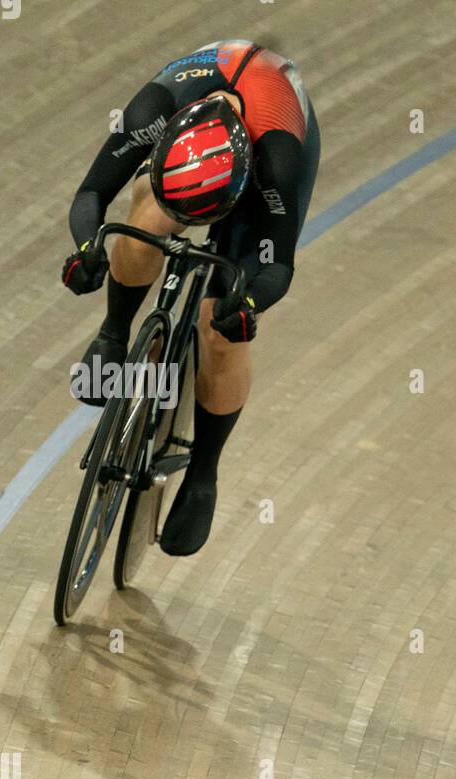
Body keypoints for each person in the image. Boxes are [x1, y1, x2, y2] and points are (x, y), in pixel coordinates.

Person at [60, 40, 319, 555]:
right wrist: (88, 249)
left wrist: (248, 305)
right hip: (196, 141)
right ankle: (114, 331)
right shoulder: (152, 113)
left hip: (269, 141)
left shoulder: (278, 163)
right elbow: (91, 195)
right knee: (147, 220)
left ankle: (204, 473)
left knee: (220, 335)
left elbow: (278, 264)